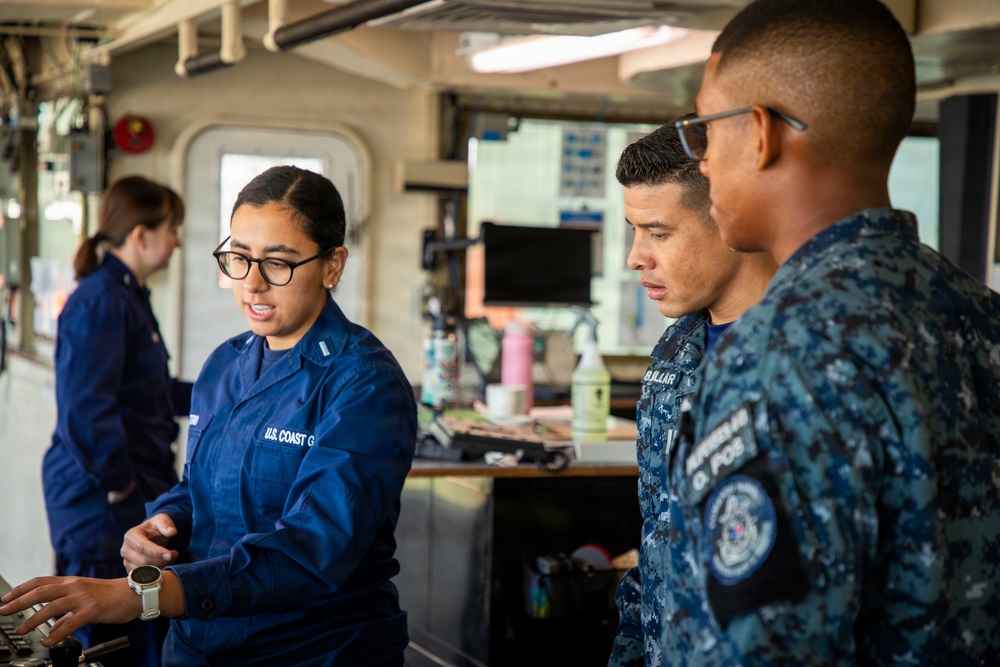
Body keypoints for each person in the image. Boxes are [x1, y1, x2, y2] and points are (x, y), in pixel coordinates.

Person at [668, 0, 1000, 663]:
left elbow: (759, 651)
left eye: (705, 130)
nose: (700, 161)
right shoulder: (980, 316)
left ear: (760, 133)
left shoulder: (777, 350)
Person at [3, 166, 417, 666]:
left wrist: (145, 594)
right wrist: (161, 522)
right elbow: (201, 487)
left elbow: (312, 551)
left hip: (310, 649)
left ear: (332, 265)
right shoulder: (227, 362)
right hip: (201, 643)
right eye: (239, 259)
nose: (254, 284)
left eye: (279, 264)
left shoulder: (362, 384)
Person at [607, 120, 776, 667]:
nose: (635, 257)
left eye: (658, 234)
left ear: (729, 216)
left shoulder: (800, 356)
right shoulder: (676, 351)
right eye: (635, 232)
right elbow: (656, 536)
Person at [42, 175, 191, 667]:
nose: (178, 241)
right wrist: (121, 487)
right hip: (100, 503)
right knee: (107, 641)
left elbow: (150, 391)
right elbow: (85, 408)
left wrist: (225, 394)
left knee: (138, 628)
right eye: (172, 229)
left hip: (126, 488)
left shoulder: (130, 296)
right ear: (141, 235)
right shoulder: (102, 300)